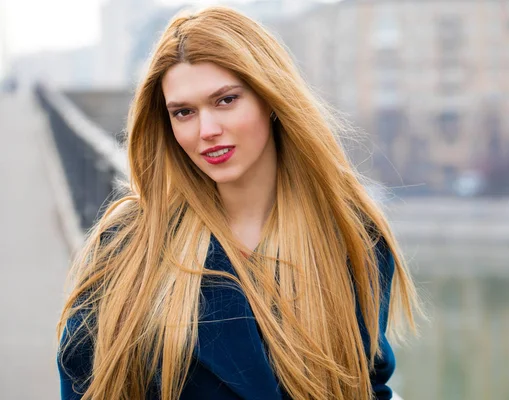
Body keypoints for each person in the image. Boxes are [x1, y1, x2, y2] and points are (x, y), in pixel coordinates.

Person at [56, 6, 420, 400]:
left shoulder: (349, 236)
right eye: (184, 112)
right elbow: (84, 382)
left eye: (226, 100)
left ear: (270, 98)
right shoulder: (129, 243)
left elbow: (366, 383)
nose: (207, 130)